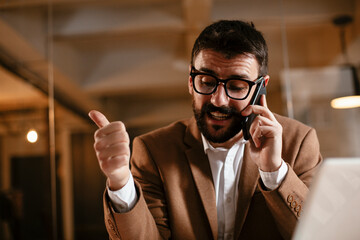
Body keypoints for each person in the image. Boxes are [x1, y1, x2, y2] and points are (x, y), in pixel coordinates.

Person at [89, 20, 322, 240]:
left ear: (261, 87)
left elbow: (318, 235)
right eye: (207, 82)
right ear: (191, 81)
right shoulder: (153, 150)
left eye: (237, 86)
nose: (219, 100)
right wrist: (120, 181)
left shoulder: (299, 142)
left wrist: (274, 172)